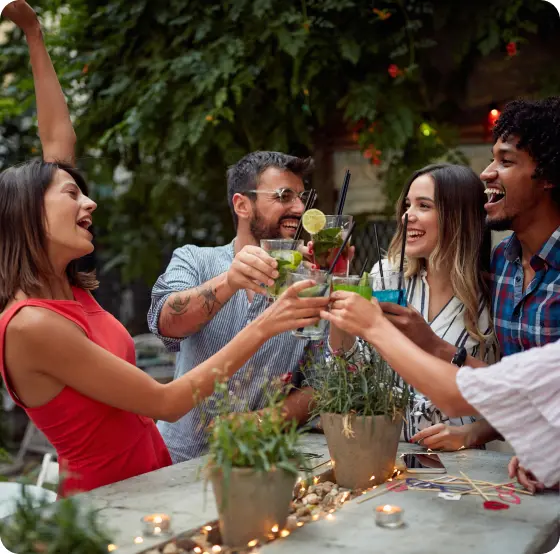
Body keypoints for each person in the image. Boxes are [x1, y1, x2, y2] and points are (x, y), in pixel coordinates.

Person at [0, 1, 328, 496]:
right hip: (112, 504)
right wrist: (269, 319)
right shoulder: (33, 324)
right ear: (27, 215)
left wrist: (33, 34)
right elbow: (168, 401)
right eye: (72, 195)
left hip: (160, 481)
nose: (89, 201)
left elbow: (57, 149)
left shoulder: (64, 287)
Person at [378, 97, 560, 451]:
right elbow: (511, 388)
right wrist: (477, 433)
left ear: (549, 176)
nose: (487, 173)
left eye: (505, 161)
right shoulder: (503, 265)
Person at [148, 150, 325, 463]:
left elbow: (322, 383)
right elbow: (167, 322)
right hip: (177, 462)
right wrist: (229, 282)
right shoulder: (195, 259)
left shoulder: (311, 280)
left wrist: (266, 420)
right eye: (285, 196)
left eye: (302, 196)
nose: (298, 207)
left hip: (264, 463)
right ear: (242, 205)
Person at [329, 163, 498, 449]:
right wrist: (339, 294)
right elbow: (349, 367)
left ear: (457, 217)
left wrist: (476, 432)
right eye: (408, 205)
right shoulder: (386, 278)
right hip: (388, 450)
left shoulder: (493, 296)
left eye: (424, 205)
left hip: (464, 465)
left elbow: (509, 392)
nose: (408, 215)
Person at [321, 292, 560, 490]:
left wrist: (376, 327)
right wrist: (544, 449)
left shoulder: (485, 297)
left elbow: (457, 395)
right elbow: (518, 396)